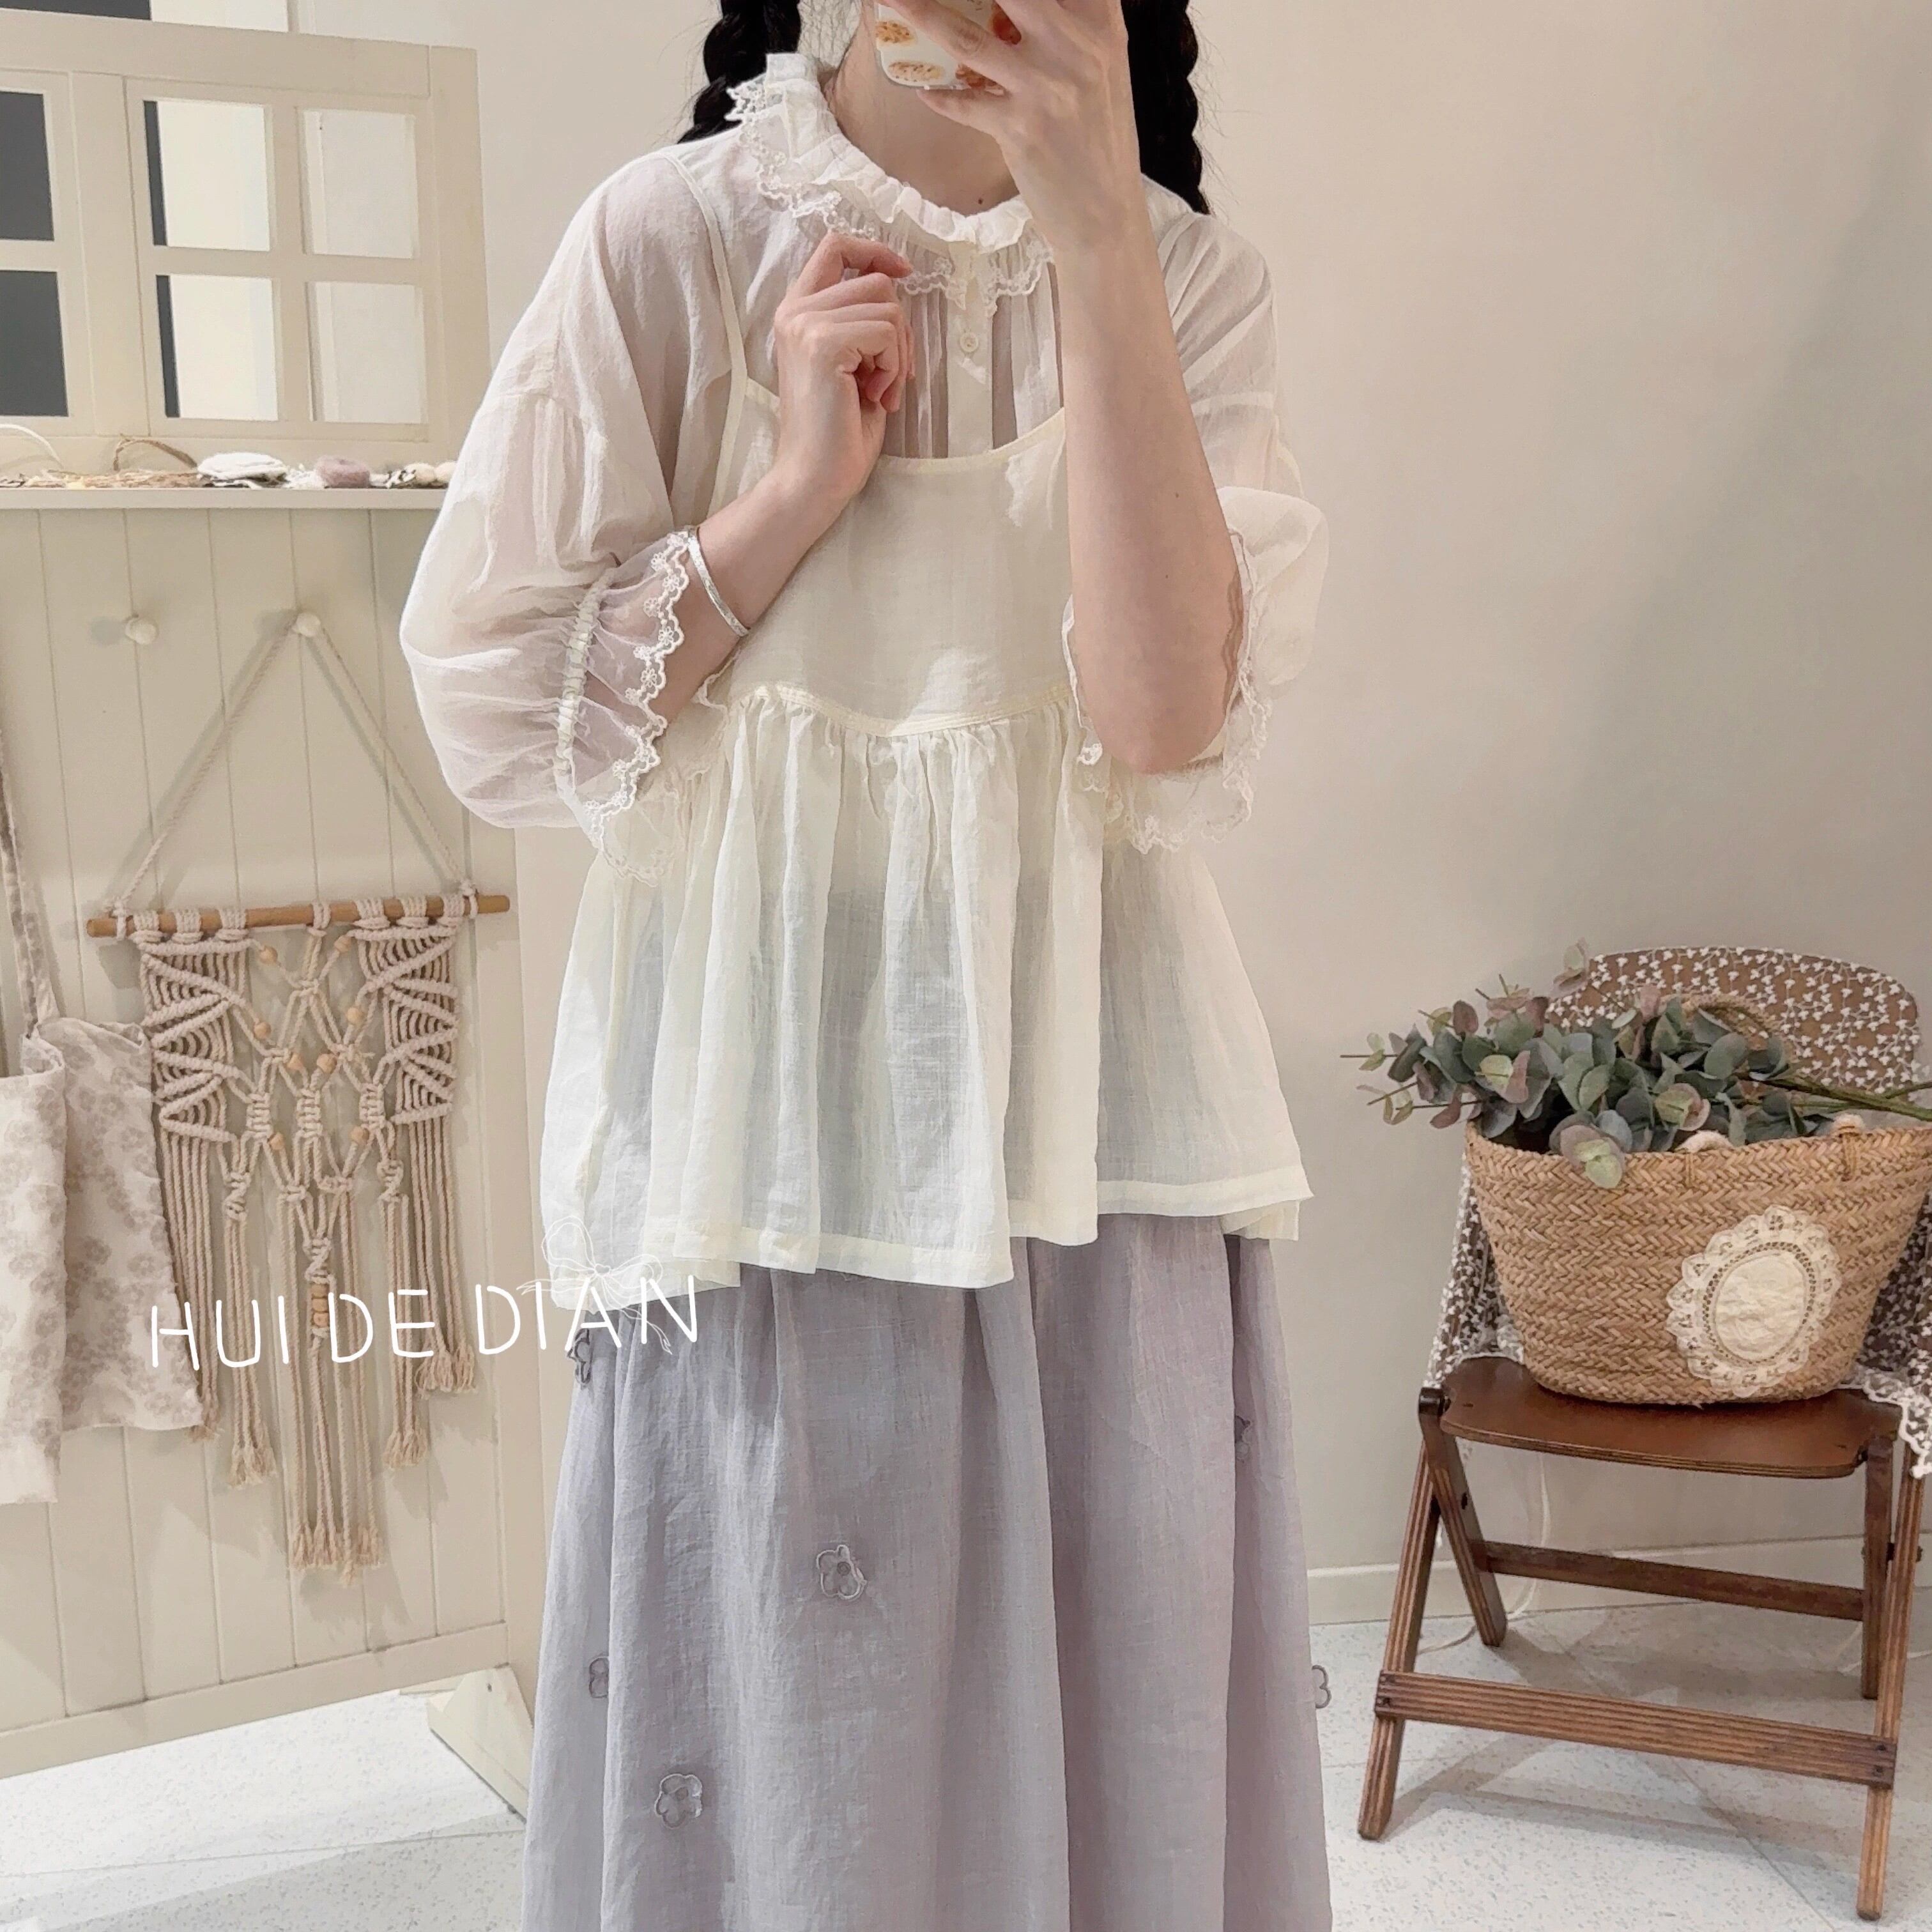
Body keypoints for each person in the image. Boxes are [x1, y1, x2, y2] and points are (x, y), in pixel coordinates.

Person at [401, 2, 1330, 1924]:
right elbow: (497, 711)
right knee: (796, 1745)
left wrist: (1098, 237)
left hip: (1101, 1136)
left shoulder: (1185, 277)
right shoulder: (670, 239)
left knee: (1118, 1714)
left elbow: (1165, 721)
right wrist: (794, 489)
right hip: (770, 1140)